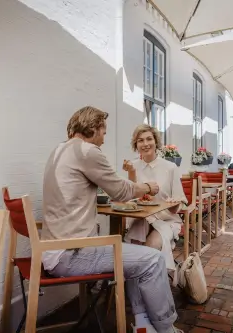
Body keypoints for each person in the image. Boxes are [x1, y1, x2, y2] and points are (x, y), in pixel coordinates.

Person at [41, 106, 182, 333]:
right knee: (153, 260)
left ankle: (143, 326)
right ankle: (166, 328)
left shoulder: (59, 150)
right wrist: (148, 186)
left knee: (137, 256)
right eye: (104, 133)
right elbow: (121, 192)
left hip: (51, 250)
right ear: (94, 128)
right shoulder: (88, 151)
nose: (104, 140)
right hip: (72, 253)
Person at [122, 124, 187, 272]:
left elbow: (179, 203)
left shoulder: (170, 167)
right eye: (140, 140)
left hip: (166, 220)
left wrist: (173, 204)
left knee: (150, 247)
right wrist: (131, 173)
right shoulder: (133, 166)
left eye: (149, 139)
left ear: (156, 142)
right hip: (140, 220)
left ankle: (151, 287)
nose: (145, 144)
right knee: (134, 253)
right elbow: (131, 198)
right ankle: (137, 290)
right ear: (136, 145)